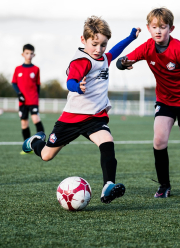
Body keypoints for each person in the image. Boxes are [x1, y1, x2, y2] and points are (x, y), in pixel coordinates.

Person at [23, 16, 140, 204]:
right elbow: (70, 81)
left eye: (103, 45)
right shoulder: (81, 61)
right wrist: (77, 86)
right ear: (83, 40)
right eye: (95, 44)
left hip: (94, 118)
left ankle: (108, 185)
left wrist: (130, 38)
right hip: (71, 119)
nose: (99, 49)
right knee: (46, 155)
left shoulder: (102, 57)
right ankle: (35, 141)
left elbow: (115, 51)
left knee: (107, 142)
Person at [116, 8, 180, 198]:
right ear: (148, 29)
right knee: (159, 140)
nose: (158, 31)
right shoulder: (147, 47)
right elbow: (122, 61)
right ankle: (164, 185)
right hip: (165, 101)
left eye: (163, 27)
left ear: (171, 28)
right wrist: (124, 64)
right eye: (154, 27)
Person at [12, 44, 45, 155]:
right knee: (24, 124)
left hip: (33, 100)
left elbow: (38, 85)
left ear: (34, 55)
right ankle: (27, 148)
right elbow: (14, 83)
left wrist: (36, 97)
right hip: (22, 102)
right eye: (27, 53)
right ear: (23, 54)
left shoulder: (36, 69)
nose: (29, 55)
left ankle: (43, 144)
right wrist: (19, 93)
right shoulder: (18, 69)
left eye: (31, 53)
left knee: (36, 119)